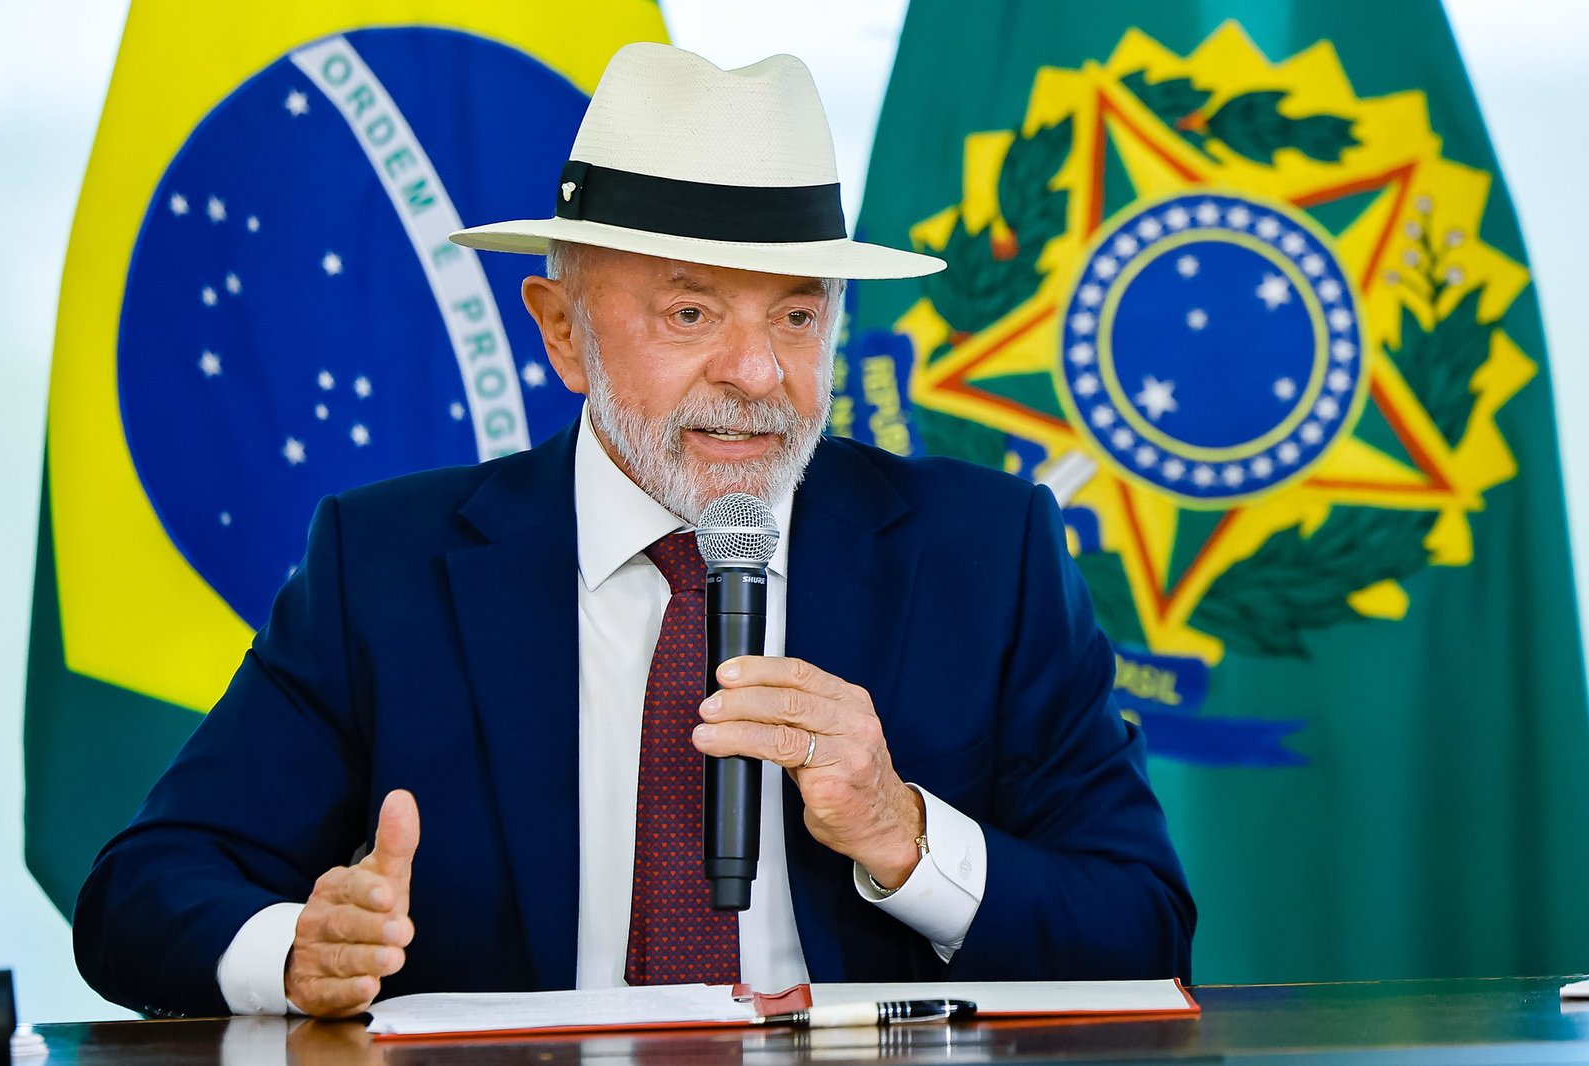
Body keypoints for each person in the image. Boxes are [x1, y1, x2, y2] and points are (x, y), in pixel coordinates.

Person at [73, 43, 1194, 1019]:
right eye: (691, 311)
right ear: (563, 332)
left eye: (797, 315)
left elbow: (1144, 929)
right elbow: (140, 894)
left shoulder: (984, 554)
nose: (757, 374)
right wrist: (297, 953)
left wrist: (905, 837)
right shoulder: (386, 566)